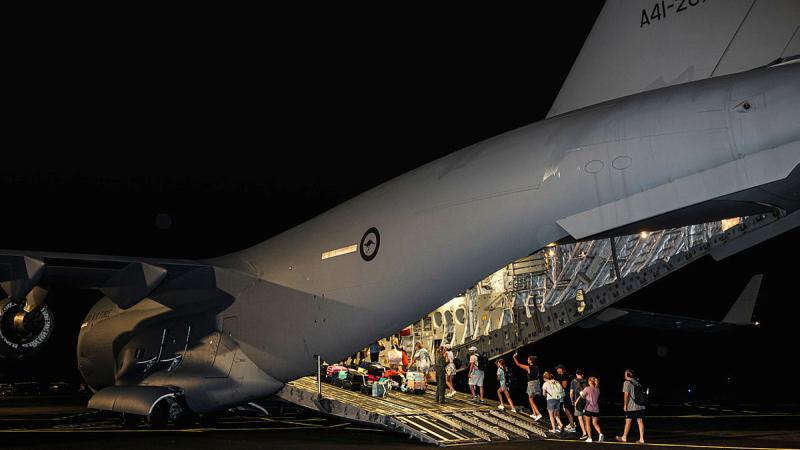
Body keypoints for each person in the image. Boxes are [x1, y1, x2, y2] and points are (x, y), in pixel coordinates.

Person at [512, 351, 543, 421]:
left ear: (531, 360)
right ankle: (534, 414)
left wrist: (514, 357)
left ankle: (538, 414)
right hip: (537, 383)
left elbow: (518, 364)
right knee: (531, 399)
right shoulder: (537, 367)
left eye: (528, 359)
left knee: (530, 399)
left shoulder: (528, 367)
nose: (527, 360)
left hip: (531, 384)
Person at [617, 369, 645, 443]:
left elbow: (626, 395)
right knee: (640, 421)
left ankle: (624, 437)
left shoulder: (626, 382)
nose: (624, 375)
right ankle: (642, 439)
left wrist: (625, 405)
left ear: (628, 374)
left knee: (628, 421)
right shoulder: (637, 382)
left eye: (625, 373)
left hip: (632, 406)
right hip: (640, 405)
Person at [581, 377, 603, 442]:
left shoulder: (587, 388)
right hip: (596, 409)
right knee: (595, 423)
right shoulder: (597, 390)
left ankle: (590, 438)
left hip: (588, 408)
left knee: (587, 423)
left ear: (590, 382)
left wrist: (581, 393)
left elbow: (583, 396)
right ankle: (600, 433)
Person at [554, 364, 576, 432]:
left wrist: (557, 383)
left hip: (566, 395)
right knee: (566, 409)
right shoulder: (567, 374)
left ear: (561, 369)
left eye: (558, 369)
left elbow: (564, 386)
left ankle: (572, 426)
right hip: (568, 394)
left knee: (566, 409)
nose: (557, 370)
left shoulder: (564, 375)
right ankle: (572, 423)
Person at [570, 369, 589, 439]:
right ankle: (588, 432)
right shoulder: (586, 381)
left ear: (576, 374)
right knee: (585, 418)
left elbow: (571, 393)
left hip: (578, 402)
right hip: (586, 401)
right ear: (582, 375)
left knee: (580, 418)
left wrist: (572, 401)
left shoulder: (573, 381)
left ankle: (584, 433)